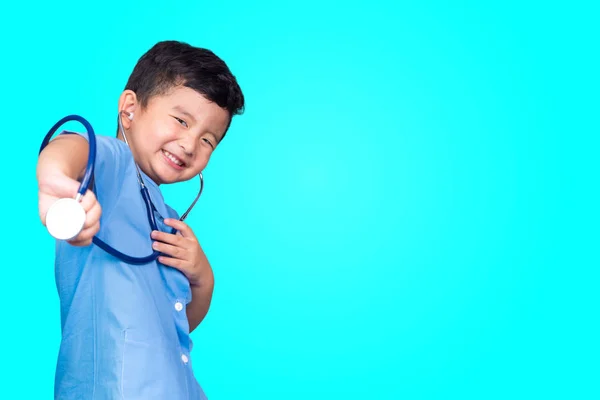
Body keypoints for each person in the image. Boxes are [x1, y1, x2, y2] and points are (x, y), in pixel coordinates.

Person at [36, 40, 245, 399]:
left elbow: (172, 325)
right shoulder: (114, 170)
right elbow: (74, 148)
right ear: (130, 109)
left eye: (208, 140)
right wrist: (55, 180)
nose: (191, 144)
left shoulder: (168, 219)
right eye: (181, 121)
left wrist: (203, 280)